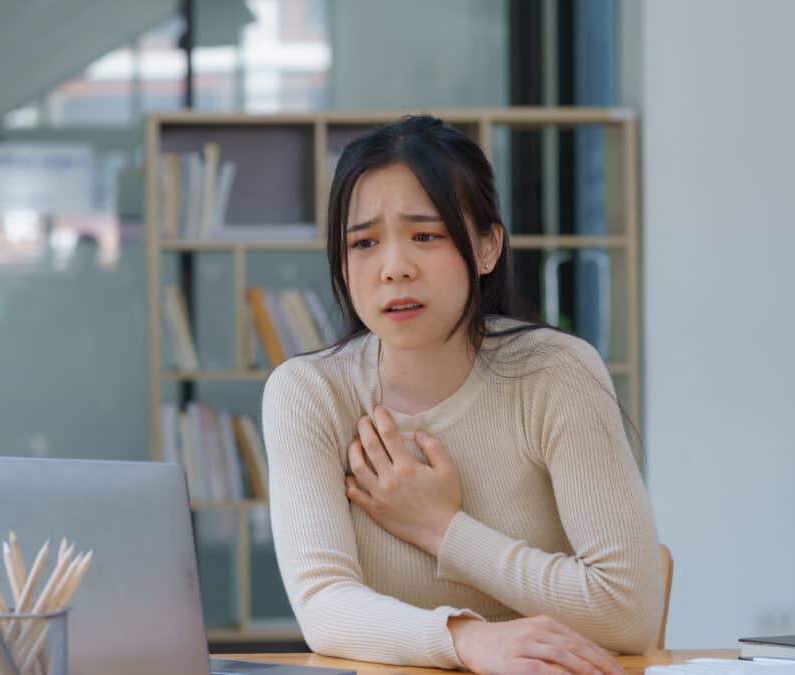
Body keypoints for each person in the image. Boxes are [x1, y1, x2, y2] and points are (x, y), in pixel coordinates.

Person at [261, 115, 661, 675]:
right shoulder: (309, 393)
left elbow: (628, 612)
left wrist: (442, 530)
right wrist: (468, 640)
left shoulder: (557, 373)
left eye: (426, 235)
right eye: (364, 242)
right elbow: (323, 606)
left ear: (488, 247)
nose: (394, 268)